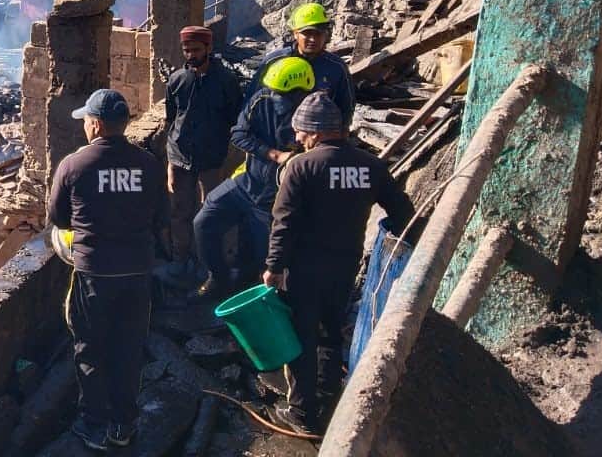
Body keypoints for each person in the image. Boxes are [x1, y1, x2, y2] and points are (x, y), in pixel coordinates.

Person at [264, 93, 414, 434]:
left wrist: (274, 267)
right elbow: (404, 212)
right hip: (345, 267)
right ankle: (329, 400)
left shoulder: (302, 167)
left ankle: (302, 414)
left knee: (301, 337)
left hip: (304, 270)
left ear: (315, 132)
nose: (298, 139)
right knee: (331, 333)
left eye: (301, 132)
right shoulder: (370, 166)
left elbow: (283, 223)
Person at [49, 89, 168, 451]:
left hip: (94, 273)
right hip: (136, 272)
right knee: (129, 346)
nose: (85, 125)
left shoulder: (74, 165)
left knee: (90, 346)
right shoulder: (147, 163)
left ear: (96, 125)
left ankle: (95, 423)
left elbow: (58, 217)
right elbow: (161, 216)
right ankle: (124, 425)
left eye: (86, 119)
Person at [193, 56, 313, 300]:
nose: (276, 99)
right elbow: (238, 134)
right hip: (247, 183)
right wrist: (273, 154)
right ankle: (219, 278)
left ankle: (264, 304)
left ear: (301, 93)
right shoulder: (262, 100)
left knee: (267, 260)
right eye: (274, 92)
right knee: (204, 221)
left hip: (276, 202)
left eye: (282, 95)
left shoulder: (314, 116)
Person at [162, 26, 243, 272]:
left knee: (211, 211)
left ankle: (207, 261)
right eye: (186, 50)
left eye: (196, 50)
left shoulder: (226, 81)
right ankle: (180, 259)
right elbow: (171, 118)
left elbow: (235, 118)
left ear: (208, 48)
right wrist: (170, 161)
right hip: (180, 157)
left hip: (212, 158)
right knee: (179, 210)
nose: (190, 55)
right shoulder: (177, 80)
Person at [250, 3, 356, 127]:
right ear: (295, 33)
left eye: (318, 34)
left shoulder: (336, 68)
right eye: (307, 33)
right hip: (276, 135)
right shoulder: (274, 62)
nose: (313, 39)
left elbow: (347, 107)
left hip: (317, 137)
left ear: (326, 34)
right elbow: (253, 102)